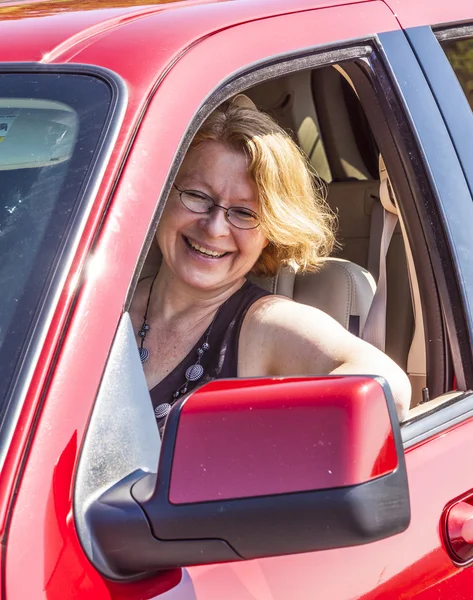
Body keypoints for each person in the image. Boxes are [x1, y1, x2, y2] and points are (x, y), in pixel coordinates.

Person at [130, 95, 411, 434]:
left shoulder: (267, 325)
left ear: (272, 232)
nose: (214, 227)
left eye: (245, 213)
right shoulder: (104, 304)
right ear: (162, 195)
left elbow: (389, 390)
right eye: (197, 196)